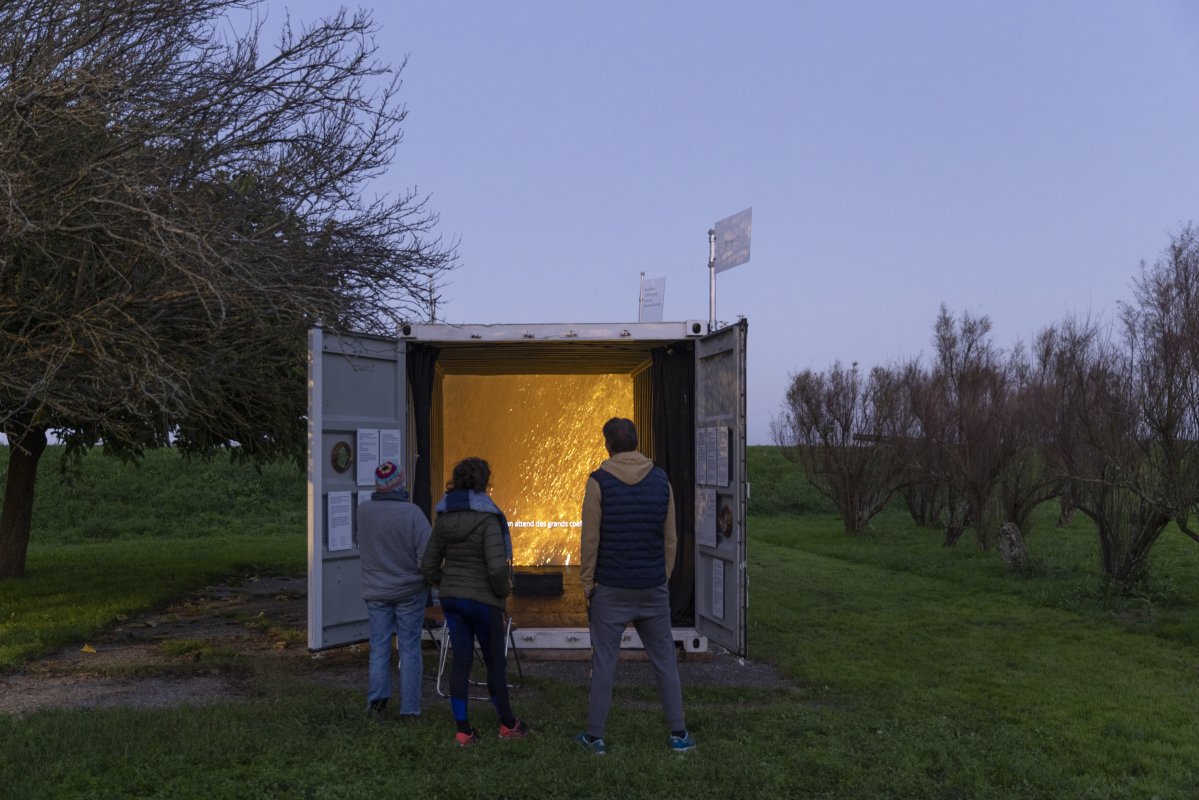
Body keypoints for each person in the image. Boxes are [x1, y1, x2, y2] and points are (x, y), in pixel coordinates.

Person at [576, 417, 695, 755]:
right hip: (652, 587)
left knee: (603, 664)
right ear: (637, 442)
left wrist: (588, 586)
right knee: (665, 663)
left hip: (610, 589)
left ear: (608, 446)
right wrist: (661, 578)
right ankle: (679, 735)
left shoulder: (598, 482)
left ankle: (595, 737)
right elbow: (670, 539)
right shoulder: (661, 480)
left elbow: (590, 541)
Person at [421, 456, 529, 746]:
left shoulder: (443, 517)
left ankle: (463, 730)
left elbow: (428, 564)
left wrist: (448, 582)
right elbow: (496, 567)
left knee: (461, 662)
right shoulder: (488, 517)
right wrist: (503, 592)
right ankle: (508, 724)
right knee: (495, 663)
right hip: (484, 601)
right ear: (483, 481)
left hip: (453, 600)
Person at [357, 460, 432, 719]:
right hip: (410, 591)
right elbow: (427, 557)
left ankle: (377, 703)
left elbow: (362, 546)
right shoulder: (413, 513)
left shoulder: (363, 512)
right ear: (400, 483)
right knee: (410, 648)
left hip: (376, 591)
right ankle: (410, 709)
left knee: (378, 646)